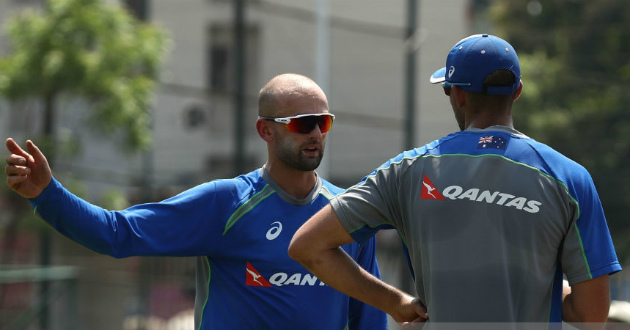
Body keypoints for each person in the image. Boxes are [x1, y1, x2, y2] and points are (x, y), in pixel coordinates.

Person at [4, 73, 388, 330]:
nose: (316, 133)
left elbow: (369, 317)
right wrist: (48, 195)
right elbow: (118, 234)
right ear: (265, 131)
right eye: (304, 123)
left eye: (324, 122)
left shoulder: (348, 213)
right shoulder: (226, 203)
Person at [288, 34, 622, 329]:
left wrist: (395, 304)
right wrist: (549, 289)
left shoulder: (406, 170)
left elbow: (307, 245)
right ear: (517, 92)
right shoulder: (568, 178)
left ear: (457, 95)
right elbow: (592, 316)